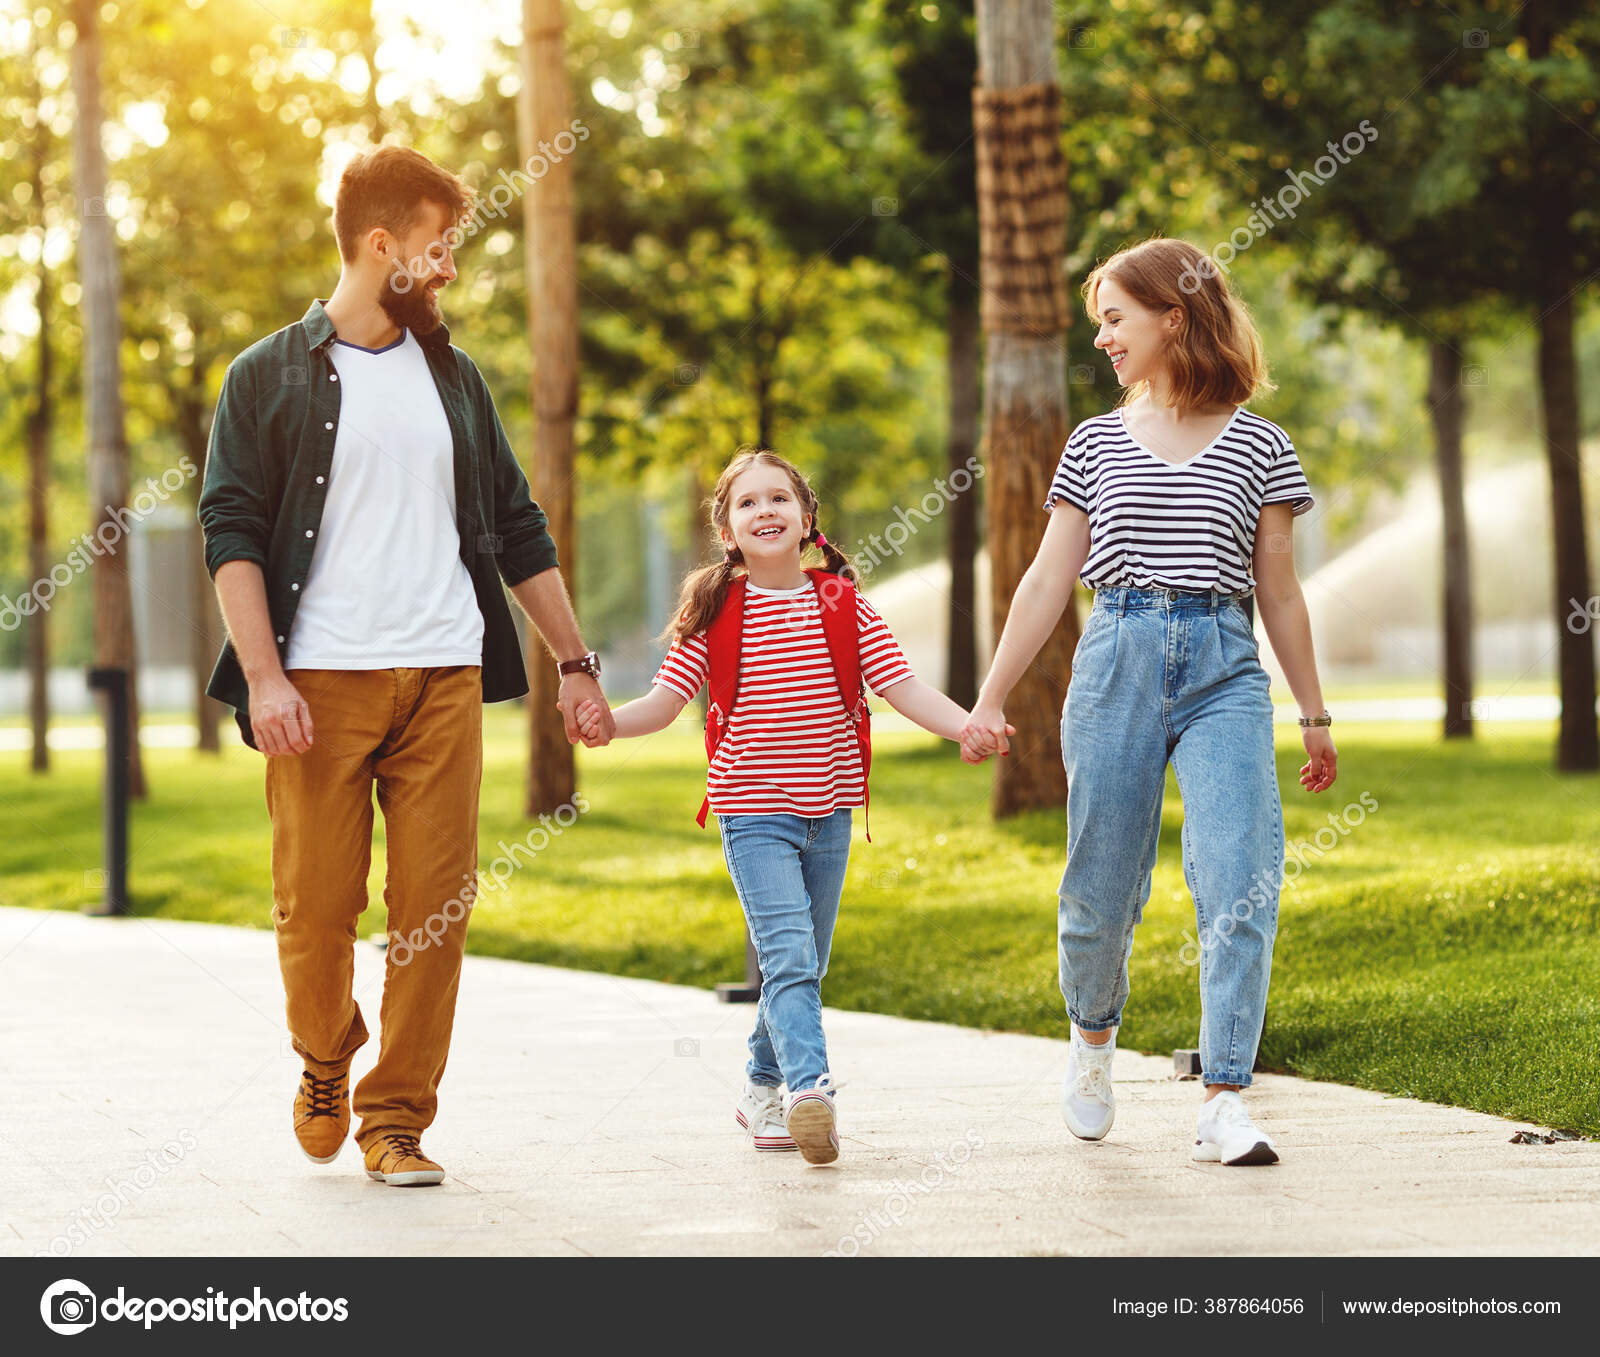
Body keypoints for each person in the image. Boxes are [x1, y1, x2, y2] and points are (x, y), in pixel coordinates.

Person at [198, 145, 615, 1187]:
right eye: (438, 251)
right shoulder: (264, 377)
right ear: (381, 245)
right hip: (317, 685)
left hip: (443, 677)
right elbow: (231, 532)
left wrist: (575, 661)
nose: (449, 271)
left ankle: (396, 1118)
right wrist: (263, 676)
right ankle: (326, 1052)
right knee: (314, 907)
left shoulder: (453, 377)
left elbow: (518, 527)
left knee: (434, 908)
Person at [962, 238, 1337, 1167]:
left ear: (1174, 316)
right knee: (1100, 888)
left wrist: (1315, 712)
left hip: (1223, 666)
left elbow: (1279, 590)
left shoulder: (1261, 442)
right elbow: (1049, 578)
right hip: (1117, 654)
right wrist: (991, 696)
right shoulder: (1093, 440)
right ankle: (1093, 1043)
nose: (1103, 339)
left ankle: (1225, 1097)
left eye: (1115, 318)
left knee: (1239, 881)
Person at [576, 447, 987, 1165]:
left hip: (828, 810)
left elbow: (903, 687)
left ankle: (761, 1082)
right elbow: (665, 701)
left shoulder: (845, 604)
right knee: (790, 955)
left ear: (806, 519)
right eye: (747, 502)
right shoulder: (714, 612)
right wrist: (610, 722)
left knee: (806, 959)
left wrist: (967, 724)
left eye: (779, 498)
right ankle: (809, 1090)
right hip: (750, 810)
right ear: (727, 531)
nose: (765, 510)